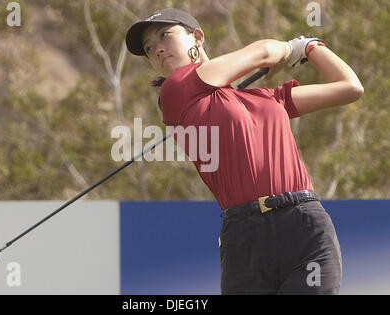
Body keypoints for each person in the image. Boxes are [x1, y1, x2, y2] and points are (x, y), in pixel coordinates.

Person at [125, 8, 363, 295]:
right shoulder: (174, 92)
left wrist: (311, 46)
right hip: (245, 238)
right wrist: (290, 48)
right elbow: (264, 51)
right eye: (149, 48)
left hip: (304, 226)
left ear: (197, 37)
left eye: (165, 35)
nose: (158, 49)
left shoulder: (266, 97)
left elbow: (349, 87)